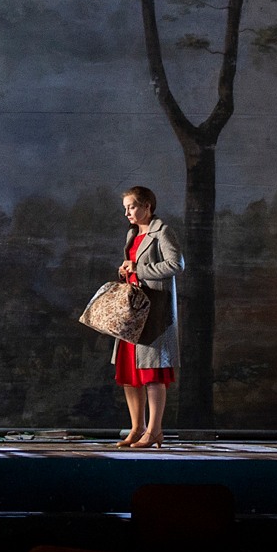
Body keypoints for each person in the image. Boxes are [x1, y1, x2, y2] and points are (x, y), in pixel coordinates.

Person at [114, 185, 182, 448]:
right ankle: (137, 428)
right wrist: (125, 271)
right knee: (130, 373)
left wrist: (139, 269)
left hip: (154, 314)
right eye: (126, 208)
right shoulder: (132, 235)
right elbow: (135, 268)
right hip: (133, 313)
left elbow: (176, 264)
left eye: (132, 207)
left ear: (147, 206)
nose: (128, 213)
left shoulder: (162, 231)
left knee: (152, 372)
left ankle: (155, 430)